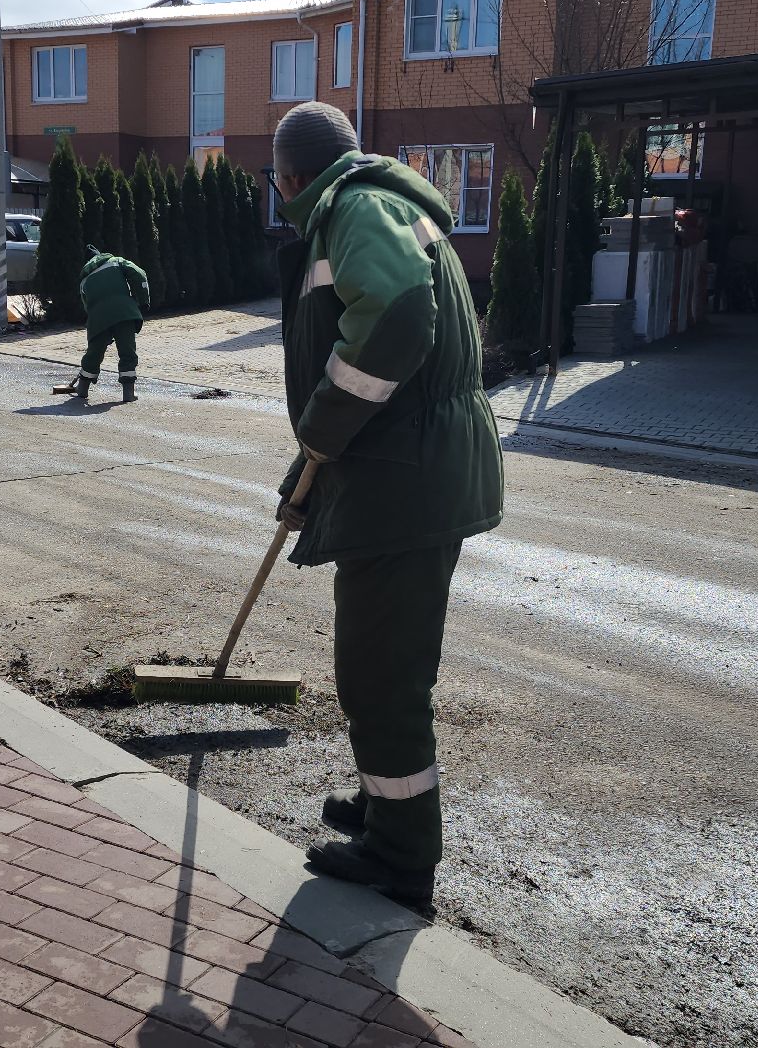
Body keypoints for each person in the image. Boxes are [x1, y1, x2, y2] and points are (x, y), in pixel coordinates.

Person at [269, 102, 504, 914]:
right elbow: (366, 363)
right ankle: (384, 804)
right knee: (392, 660)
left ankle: (400, 858)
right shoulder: (381, 204)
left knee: (378, 675)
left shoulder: (356, 208)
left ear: (290, 175)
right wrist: (308, 465)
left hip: (406, 482)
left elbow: (397, 322)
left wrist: (322, 428)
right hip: (409, 471)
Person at [72, 246, 151, 403]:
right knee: (127, 352)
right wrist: (143, 300)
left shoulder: (84, 281)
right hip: (124, 313)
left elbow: (87, 307)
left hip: (98, 320)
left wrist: (102, 329)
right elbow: (139, 274)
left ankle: (82, 389)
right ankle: (128, 394)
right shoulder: (116, 262)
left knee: (94, 353)